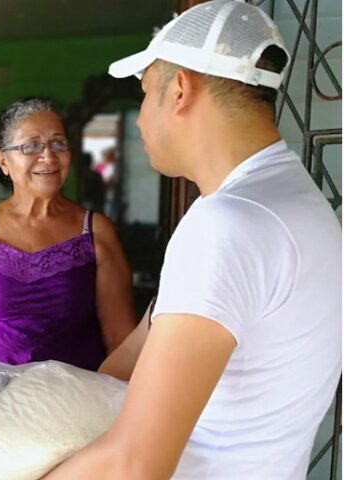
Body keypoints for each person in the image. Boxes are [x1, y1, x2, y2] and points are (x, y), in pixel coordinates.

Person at [45, 1, 341, 479]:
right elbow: (131, 359)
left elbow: (134, 466)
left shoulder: (229, 226)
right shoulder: (295, 202)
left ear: (180, 90)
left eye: (145, 93)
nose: (139, 119)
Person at [0, 97, 137, 371]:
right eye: (32, 146)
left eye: (58, 143)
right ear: (3, 160)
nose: (49, 156)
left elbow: (120, 338)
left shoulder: (95, 231)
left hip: (69, 395)